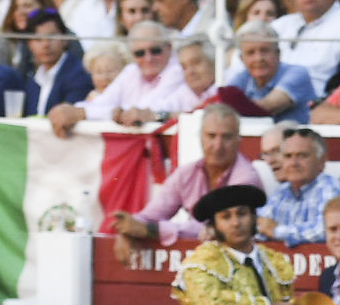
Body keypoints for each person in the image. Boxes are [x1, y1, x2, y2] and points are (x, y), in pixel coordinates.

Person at [110, 104, 261, 257]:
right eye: (211, 136)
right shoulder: (187, 173)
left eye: (226, 137)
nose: (218, 145)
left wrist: (151, 230)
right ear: (200, 137)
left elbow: (217, 229)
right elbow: (150, 215)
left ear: (238, 140)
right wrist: (126, 231)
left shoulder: (246, 177)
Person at [171, 184, 298, 305]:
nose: (236, 223)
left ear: (254, 217)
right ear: (214, 225)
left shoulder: (274, 260)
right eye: (226, 217)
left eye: (242, 214)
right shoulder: (201, 262)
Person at [257, 127, 340, 246]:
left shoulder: (330, 187)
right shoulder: (282, 191)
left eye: (302, 156)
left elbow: (326, 229)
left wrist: (277, 231)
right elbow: (261, 225)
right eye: (288, 156)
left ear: (322, 161)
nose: (293, 163)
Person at [223, 20, 313, 124]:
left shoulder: (298, 73)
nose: (258, 58)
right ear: (241, 59)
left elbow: (265, 107)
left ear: (278, 53)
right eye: (251, 52)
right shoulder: (242, 77)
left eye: (264, 50)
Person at [21, 9, 94, 115]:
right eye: (38, 39)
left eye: (51, 36)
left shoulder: (79, 75)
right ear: (30, 45)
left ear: (65, 39)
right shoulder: (32, 79)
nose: (45, 44)